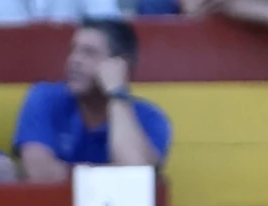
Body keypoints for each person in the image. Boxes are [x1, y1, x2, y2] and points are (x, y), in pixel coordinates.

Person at [13, 19, 171, 183]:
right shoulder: (45, 98)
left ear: (121, 65)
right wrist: (110, 176)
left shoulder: (150, 118)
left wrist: (117, 94)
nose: (74, 60)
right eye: (73, 50)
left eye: (89, 53)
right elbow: (41, 174)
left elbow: (134, 177)